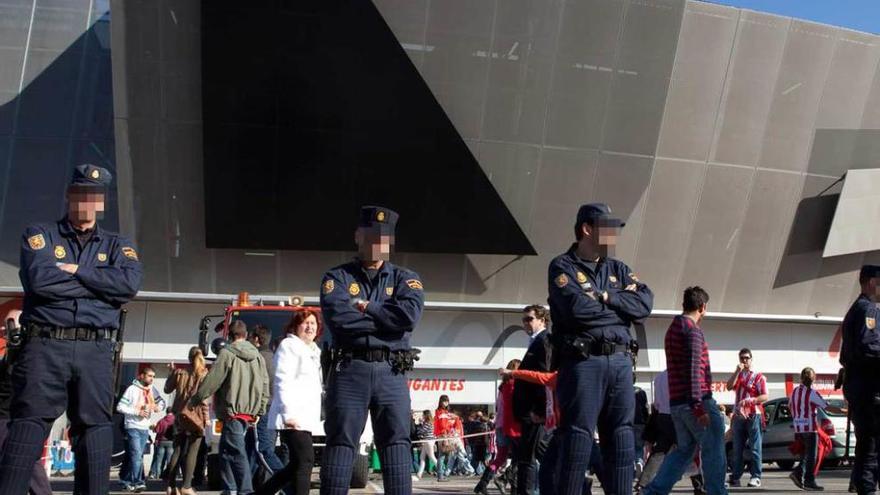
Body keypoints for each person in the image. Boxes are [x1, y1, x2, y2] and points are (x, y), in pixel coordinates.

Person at [0, 164, 143, 495]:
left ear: (101, 203)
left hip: (96, 350)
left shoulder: (119, 245)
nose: (87, 203)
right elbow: (41, 281)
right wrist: (99, 285)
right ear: (70, 196)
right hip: (46, 346)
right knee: (27, 428)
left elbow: (127, 286)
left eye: (93, 197)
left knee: (94, 432)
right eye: (81, 195)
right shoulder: (40, 235)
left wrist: (77, 270)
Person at [548, 203, 653, 495]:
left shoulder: (618, 268)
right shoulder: (562, 266)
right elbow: (577, 309)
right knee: (577, 444)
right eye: (608, 228)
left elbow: (644, 304)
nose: (614, 236)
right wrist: (620, 305)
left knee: (621, 444)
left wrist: (605, 296)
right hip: (584, 363)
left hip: (620, 364)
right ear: (587, 229)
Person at [319, 206, 425, 495]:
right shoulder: (337, 278)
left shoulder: (406, 279)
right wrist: (386, 321)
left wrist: (369, 308)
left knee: (396, 444)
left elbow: (408, 318)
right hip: (350, 370)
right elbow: (340, 320)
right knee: (341, 443)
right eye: (370, 236)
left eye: (384, 238)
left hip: (391, 371)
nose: (377, 243)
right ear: (358, 236)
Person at [640, 287, 727, 495]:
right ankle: (717, 492)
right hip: (696, 402)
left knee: (684, 451)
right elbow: (695, 369)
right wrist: (698, 406)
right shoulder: (693, 331)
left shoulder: (673, 328)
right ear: (702, 307)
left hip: (677, 403)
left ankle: (653, 491)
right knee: (714, 450)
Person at [190, 320, 269, 495]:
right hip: (250, 411)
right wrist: (261, 409)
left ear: (229, 336)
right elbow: (265, 384)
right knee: (225, 451)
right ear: (246, 335)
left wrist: (195, 399)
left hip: (232, 410)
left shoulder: (226, 354)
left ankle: (245, 490)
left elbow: (213, 380)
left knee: (236, 451)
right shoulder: (258, 356)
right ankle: (229, 488)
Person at [257, 309, 323, 495]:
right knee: (305, 461)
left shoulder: (314, 351)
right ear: (296, 326)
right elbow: (282, 380)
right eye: (305, 323)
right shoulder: (289, 345)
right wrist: (288, 413)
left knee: (295, 464)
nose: (310, 327)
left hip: (306, 418)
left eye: (313, 323)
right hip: (293, 416)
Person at [0, 309, 53, 495]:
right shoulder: (10, 353)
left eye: (11, 325)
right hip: (8, 414)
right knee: (25, 459)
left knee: (24, 458)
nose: (7, 331)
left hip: (15, 415)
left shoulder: (31, 353)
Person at [839, 265, 880, 495]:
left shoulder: (856, 309)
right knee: (871, 451)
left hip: (862, 391)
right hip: (871, 391)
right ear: (872, 282)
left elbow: (846, 355)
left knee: (868, 450)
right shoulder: (868, 309)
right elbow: (869, 347)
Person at [512, 304, 552, 494]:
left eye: (529, 319)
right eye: (524, 319)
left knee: (528, 457)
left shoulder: (543, 341)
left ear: (542, 320)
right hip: (529, 410)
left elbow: (544, 376)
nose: (526, 323)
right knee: (540, 453)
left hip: (534, 411)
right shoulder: (535, 341)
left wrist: (540, 410)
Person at [788, 367, 845, 491]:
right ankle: (808, 479)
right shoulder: (812, 393)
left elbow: (790, 406)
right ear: (813, 379)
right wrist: (843, 411)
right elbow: (827, 407)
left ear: (801, 378)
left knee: (804, 454)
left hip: (798, 427)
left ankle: (799, 474)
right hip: (810, 427)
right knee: (811, 456)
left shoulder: (794, 392)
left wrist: (797, 418)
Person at [163, 346, 210, 495]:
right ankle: (186, 486)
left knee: (177, 449)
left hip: (179, 415)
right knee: (192, 451)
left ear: (189, 358)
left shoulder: (179, 372)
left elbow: (167, 389)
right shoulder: (204, 374)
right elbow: (204, 400)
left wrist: (172, 372)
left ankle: (170, 486)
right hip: (195, 416)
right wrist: (206, 418)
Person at [475, 359, 521, 495]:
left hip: (500, 425)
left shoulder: (502, 387)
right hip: (510, 425)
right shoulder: (513, 386)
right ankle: (507, 480)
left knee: (500, 457)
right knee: (520, 456)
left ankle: (482, 483)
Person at [118, 366, 167, 492]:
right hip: (132, 426)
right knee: (136, 455)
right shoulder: (132, 389)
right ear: (142, 376)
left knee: (133, 455)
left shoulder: (152, 390)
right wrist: (136, 412)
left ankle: (125, 479)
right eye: (150, 376)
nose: (152, 379)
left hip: (144, 428)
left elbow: (162, 403)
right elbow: (120, 407)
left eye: (154, 377)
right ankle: (138, 482)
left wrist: (157, 407)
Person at [725, 347, 768, 488]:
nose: (744, 360)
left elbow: (765, 396)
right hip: (738, 416)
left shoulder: (758, 376)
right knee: (737, 448)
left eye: (747, 358)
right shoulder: (739, 376)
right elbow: (729, 386)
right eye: (742, 358)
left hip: (753, 415)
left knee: (755, 448)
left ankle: (756, 476)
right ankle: (735, 476)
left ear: (751, 359)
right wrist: (737, 370)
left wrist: (752, 400)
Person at [247, 324, 285, 479]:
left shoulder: (256, 359)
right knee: (254, 449)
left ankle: (284, 480)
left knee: (263, 450)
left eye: (250, 337)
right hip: (275, 408)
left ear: (256, 339)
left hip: (261, 409)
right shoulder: (276, 358)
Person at [434, 395, 456, 481]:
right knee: (442, 456)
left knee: (442, 455)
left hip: (442, 434)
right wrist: (445, 437)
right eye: (444, 401)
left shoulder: (440, 412)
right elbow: (443, 425)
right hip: (443, 435)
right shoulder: (442, 412)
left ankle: (440, 474)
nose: (446, 403)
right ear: (440, 402)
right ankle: (440, 475)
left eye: (447, 401)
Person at [149, 412, 176, 481]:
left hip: (161, 441)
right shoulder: (175, 420)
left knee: (159, 460)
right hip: (171, 442)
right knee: (170, 460)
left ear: (166, 412)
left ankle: (158, 475)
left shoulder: (161, 421)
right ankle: (170, 475)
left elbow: (156, 430)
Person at [416, 410, 439, 480]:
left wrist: (420, 424)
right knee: (422, 457)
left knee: (432, 457)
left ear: (426, 415)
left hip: (428, 441)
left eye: (423, 415)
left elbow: (421, 431)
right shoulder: (432, 422)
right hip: (430, 441)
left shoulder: (427, 423)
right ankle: (419, 473)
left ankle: (441, 470)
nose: (422, 416)